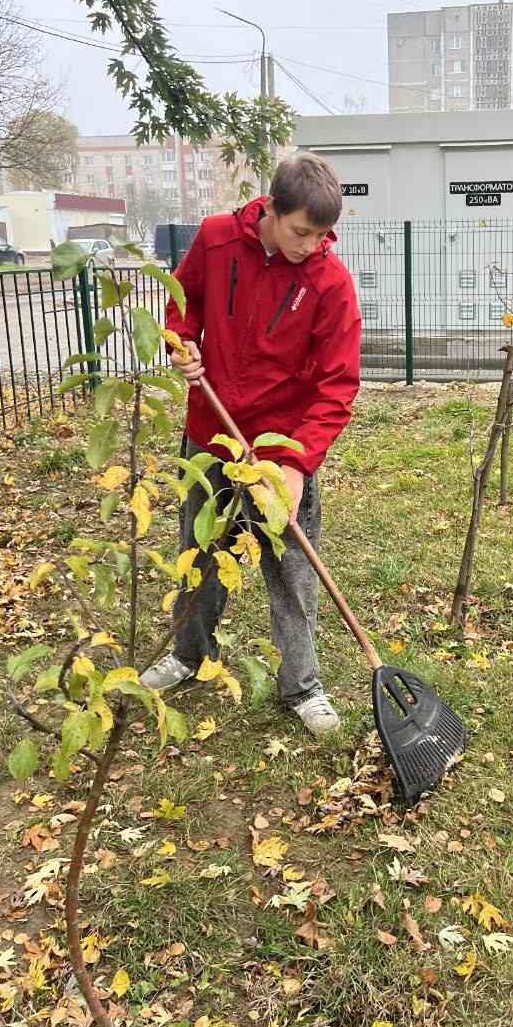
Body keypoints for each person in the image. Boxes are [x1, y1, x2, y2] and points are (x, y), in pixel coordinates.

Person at [140, 153, 362, 736]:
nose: (311, 245)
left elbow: (337, 385)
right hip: (209, 430)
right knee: (200, 546)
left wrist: (293, 464)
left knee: (290, 565)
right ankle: (188, 655)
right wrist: (180, 345)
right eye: (300, 232)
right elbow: (180, 306)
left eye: (322, 235)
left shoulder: (329, 282)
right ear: (269, 208)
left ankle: (303, 686)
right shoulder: (216, 240)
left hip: (278, 446)